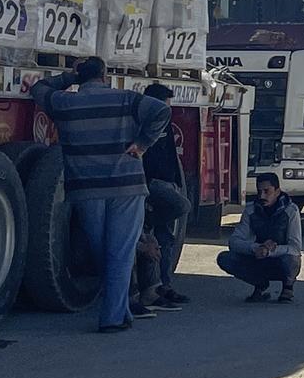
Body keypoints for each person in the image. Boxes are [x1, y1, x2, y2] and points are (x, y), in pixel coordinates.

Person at [31, 56, 171, 333]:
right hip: (126, 186)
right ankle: (113, 317)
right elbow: (161, 112)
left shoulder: (64, 103)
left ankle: (120, 311)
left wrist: (69, 78)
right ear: (105, 75)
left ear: (80, 77)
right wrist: (142, 144)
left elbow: (38, 88)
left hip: (87, 188)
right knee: (119, 251)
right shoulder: (126, 99)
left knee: (102, 250)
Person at [142, 83, 192, 305]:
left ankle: (164, 286)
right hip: (153, 184)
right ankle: (149, 219)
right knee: (182, 206)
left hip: (168, 183)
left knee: (165, 239)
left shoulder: (166, 123)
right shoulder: (145, 124)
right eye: (165, 104)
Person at [217, 173, 302, 303]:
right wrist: (256, 248)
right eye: (259, 191)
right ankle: (260, 284)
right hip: (258, 257)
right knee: (225, 258)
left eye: (266, 191)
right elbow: (234, 241)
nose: (262, 196)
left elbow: (295, 248)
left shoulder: (291, 211)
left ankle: (287, 286)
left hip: (280, 260)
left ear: (277, 191)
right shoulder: (251, 210)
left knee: (292, 259)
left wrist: (271, 250)